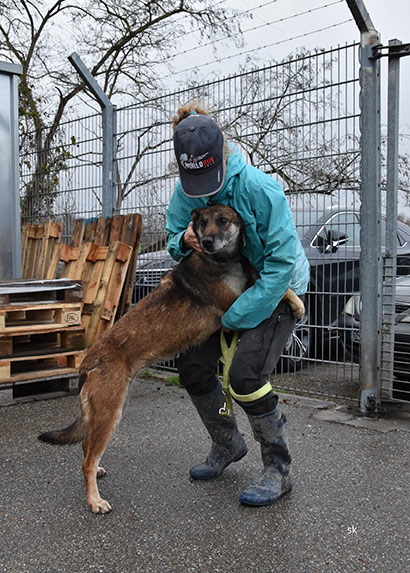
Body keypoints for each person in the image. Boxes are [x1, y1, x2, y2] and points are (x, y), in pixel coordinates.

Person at [166, 102, 310, 507]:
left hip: (277, 288)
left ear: (223, 154)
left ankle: (279, 470)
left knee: (245, 375)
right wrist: (183, 240)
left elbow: (280, 266)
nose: (202, 189)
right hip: (226, 287)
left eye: (207, 177)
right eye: (194, 180)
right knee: (192, 367)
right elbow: (173, 236)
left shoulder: (261, 190)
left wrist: (235, 316)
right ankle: (227, 442)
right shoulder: (186, 191)